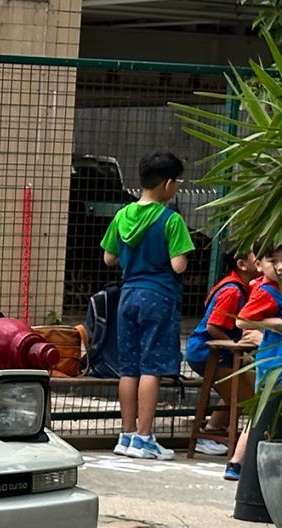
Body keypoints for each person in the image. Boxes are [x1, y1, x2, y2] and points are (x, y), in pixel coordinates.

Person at [103, 152, 196, 460]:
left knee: (128, 368)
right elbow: (178, 265)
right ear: (168, 184)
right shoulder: (171, 219)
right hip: (158, 297)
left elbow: (109, 258)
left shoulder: (122, 215)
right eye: (178, 182)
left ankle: (126, 435)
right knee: (151, 369)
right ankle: (145, 437)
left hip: (127, 296)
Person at [185, 247, 259, 457]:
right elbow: (213, 326)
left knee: (234, 386)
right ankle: (212, 434)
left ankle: (213, 429)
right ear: (242, 265)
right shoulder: (232, 291)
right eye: (257, 256)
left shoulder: (242, 287)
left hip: (218, 353)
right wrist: (235, 347)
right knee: (240, 387)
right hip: (207, 353)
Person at [228, 243, 282, 481]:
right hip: (273, 364)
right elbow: (242, 321)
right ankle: (243, 465)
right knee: (263, 414)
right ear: (259, 265)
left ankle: (238, 463)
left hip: (272, 359)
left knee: (260, 415)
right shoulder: (268, 291)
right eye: (273, 260)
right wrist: (276, 325)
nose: (280, 267)